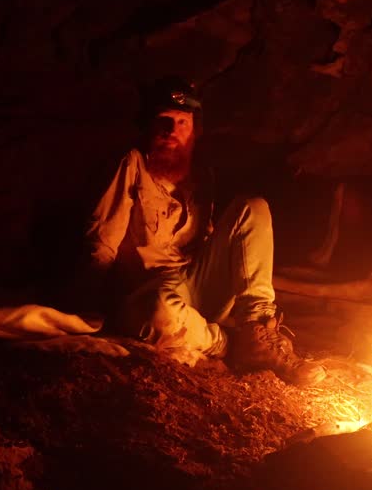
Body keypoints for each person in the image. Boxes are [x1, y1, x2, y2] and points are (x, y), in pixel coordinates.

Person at [73, 76, 326, 387]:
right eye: (164, 120)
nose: (172, 130)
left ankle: (257, 328)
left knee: (253, 207)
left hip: (193, 285)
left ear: (195, 130)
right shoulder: (132, 165)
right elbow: (101, 243)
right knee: (159, 309)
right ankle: (229, 344)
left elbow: (206, 241)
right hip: (147, 294)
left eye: (182, 122)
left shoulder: (201, 176)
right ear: (149, 125)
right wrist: (86, 307)